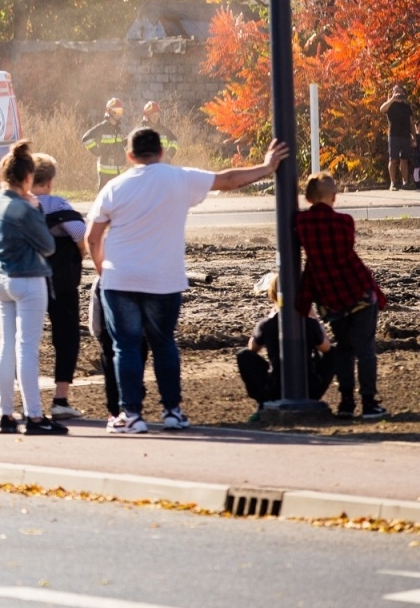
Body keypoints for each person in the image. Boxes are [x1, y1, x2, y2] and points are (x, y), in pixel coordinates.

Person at [86, 128, 288, 434]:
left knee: (125, 347)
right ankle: (172, 411)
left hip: (121, 278)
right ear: (162, 151)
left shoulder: (114, 187)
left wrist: (104, 269)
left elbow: (92, 236)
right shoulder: (179, 178)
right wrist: (267, 166)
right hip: (164, 279)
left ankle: (131, 414)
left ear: (129, 156)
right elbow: (228, 180)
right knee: (164, 344)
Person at [0, 141, 67, 435]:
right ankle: (34, 415)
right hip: (29, 278)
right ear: (27, 177)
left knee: (6, 347)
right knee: (27, 349)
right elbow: (47, 246)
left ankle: (6, 414)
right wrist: (35, 210)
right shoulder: (24, 207)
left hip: (3, 278)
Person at [295, 173, 387, 420]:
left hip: (329, 296)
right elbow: (348, 255)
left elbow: (311, 263)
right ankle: (369, 402)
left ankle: (346, 403)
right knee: (365, 348)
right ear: (334, 197)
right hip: (357, 291)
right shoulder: (345, 222)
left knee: (344, 350)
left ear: (308, 197)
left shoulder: (301, 223)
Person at [32, 154, 85, 419]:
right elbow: (78, 231)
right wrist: (81, 252)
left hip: (28, 279)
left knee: (26, 340)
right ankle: (61, 399)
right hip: (61, 281)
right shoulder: (57, 203)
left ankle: (28, 402)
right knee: (66, 337)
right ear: (50, 181)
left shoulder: (20, 204)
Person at [237, 273, 333, 422]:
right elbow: (326, 348)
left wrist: (267, 321)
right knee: (334, 353)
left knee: (243, 355)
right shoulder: (308, 323)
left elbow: (251, 349)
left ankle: (263, 403)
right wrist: (313, 319)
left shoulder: (267, 324)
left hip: (274, 388)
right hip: (310, 388)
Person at [81, 99, 128, 189]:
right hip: (106, 172)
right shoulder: (102, 127)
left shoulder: (118, 129)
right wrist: (98, 152)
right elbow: (86, 138)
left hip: (119, 171)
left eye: (120, 111)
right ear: (109, 111)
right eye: (116, 111)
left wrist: (128, 140)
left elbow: (119, 145)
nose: (118, 114)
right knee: (104, 199)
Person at [379, 86, 413, 191]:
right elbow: (381, 109)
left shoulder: (407, 106)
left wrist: (414, 136)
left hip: (405, 135)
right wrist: (392, 99)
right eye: (396, 91)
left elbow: (411, 122)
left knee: (404, 159)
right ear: (393, 92)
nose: (398, 93)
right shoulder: (390, 105)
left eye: (400, 91)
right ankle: (393, 183)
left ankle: (405, 182)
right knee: (393, 159)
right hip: (394, 135)